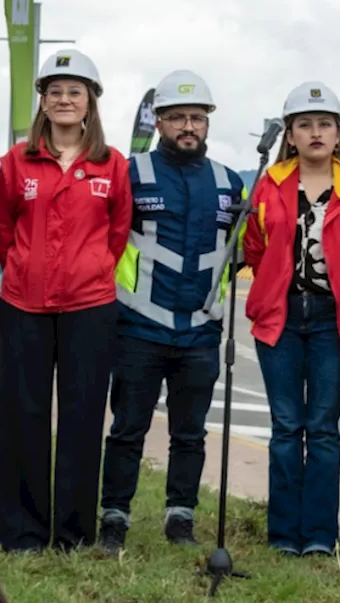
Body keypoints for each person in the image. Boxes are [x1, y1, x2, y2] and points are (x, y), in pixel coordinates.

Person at [0, 49, 133, 553]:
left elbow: (117, 235)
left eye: (76, 91)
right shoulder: (17, 160)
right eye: (56, 91)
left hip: (89, 308)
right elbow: (4, 231)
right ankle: (24, 535)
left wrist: (88, 269)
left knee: (81, 417)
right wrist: (27, 267)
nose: (65, 99)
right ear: (43, 103)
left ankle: (73, 534)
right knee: (21, 416)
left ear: (91, 102)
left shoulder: (112, 165)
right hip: (23, 306)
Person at [99, 70, 246, 553]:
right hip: (139, 326)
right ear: (158, 122)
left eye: (197, 118)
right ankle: (114, 518)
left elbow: (244, 251)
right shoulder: (129, 172)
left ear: (207, 124)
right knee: (126, 430)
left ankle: (180, 519)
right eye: (178, 117)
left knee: (190, 433)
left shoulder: (229, 184)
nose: (189, 126)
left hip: (201, 332)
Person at [244, 81, 340, 557]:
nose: (315, 132)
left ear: (338, 134)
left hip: (331, 319)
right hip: (280, 313)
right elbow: (254, 245)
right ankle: (282, 537)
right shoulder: (268, 183)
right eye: (304, 125)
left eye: (325, 124)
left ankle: (318, 536)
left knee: (321, 427)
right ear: (290, 134)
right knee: (284, 426)